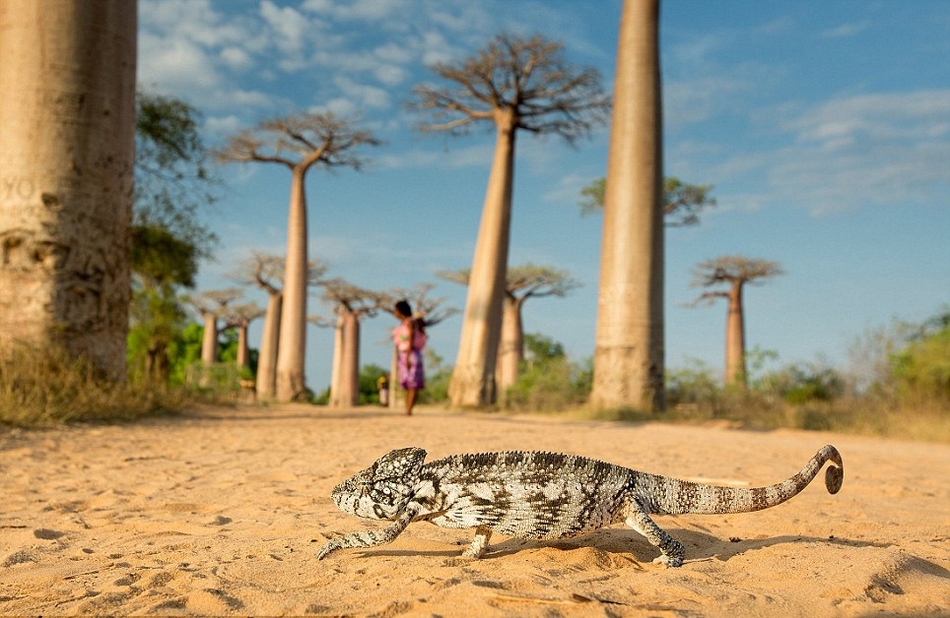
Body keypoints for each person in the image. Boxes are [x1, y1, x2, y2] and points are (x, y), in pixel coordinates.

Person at [392, 300, 426, 415]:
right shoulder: (405, 323)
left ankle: (409, 409)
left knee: (413, 382)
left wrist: (408, 357)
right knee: (408, 382)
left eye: (395, 310)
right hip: (404, 353)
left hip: (410, 353)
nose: (394, 312)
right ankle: (408, 408)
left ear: (400, 311)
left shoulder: (410, 322)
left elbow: (411, 337)